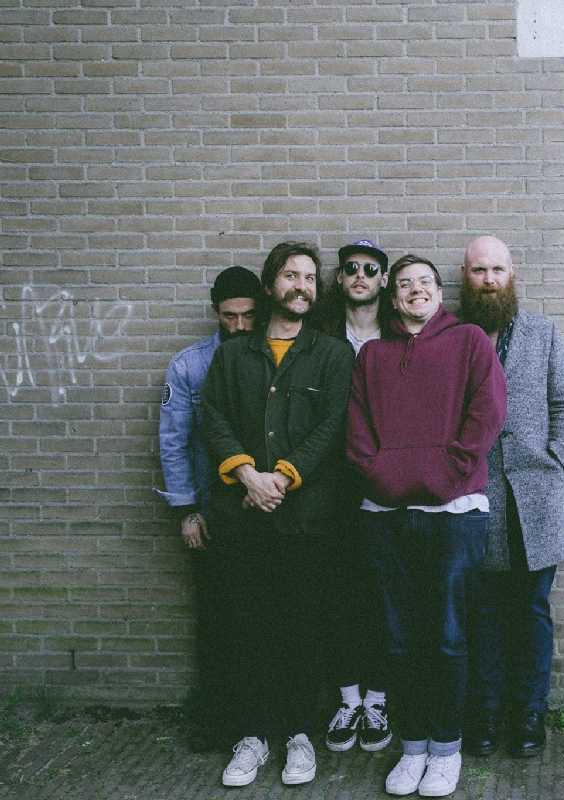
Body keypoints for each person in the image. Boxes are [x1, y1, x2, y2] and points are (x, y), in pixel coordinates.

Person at [347, 254, 506, 797]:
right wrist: (386, 481)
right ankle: (412, 746)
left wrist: (443, 477)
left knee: (447, 637)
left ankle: (445, 748)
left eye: (425, 282)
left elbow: (486, 415)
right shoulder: (372, 356)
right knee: (398, 639)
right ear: (393, 298)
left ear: (440, 293)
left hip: (455, 515)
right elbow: (357, 434)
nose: (416, 290)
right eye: (405, 284)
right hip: (385, 518)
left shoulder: (470, 343)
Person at [201, 241, 353, 788]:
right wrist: (247, 475)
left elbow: (332, 426)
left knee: (302, 628)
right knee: (248, 628)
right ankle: (253, 736)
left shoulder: (332, 354)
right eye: (291, 275)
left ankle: (299, 736)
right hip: (244, 518)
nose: (301, 286)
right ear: (270, 286)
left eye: (310, 278)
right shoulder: (233, 355)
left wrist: (282, 477)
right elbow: (213, 417)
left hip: (306, 520)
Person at [459, 235, 564, 758]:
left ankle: (530, 712)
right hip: (475, 495)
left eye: (497, 270)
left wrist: (556, 459)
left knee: (531, 610)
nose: (489, 280)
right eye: (479, 270)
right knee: (482, 612)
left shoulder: (542, 333)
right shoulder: (454, 336)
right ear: (465, 277)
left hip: (536, 497)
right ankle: (485, 712)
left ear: (512, 275)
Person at [156, 265, 260, 747]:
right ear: (215, 312)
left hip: (268, 510)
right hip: (213, 513)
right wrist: (187, 511)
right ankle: (220, 721)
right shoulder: (190, 365)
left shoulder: (273, 357)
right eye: (229, 316)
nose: (239, 325)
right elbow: (174, 442)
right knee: (218, 620)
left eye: (248, 315)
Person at [317, 239, 394, 753]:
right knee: (340, 593)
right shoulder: (321, 338)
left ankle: (379, 699)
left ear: (383, 279)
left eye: (370, 268)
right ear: (341, 279)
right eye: (351, 268)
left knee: (386, 594)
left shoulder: (400, 335)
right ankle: (348, 700)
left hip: (389, 485)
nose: (361, 275)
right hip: (332, 486)